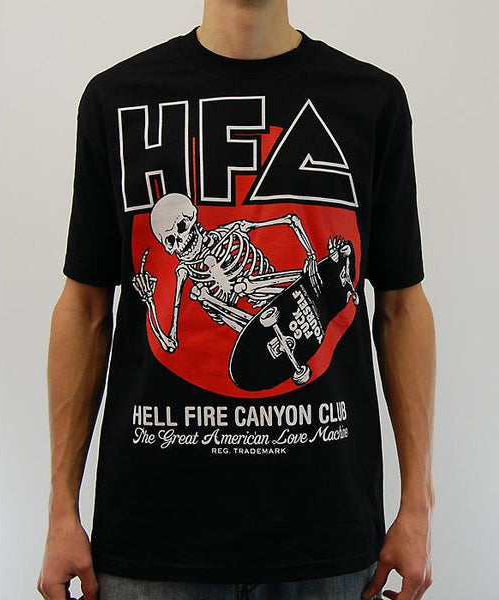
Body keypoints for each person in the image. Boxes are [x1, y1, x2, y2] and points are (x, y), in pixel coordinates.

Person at [37, 1, 436, 599]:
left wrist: (419, 505)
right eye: (173, 239)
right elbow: (86, 310)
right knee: (223, 298)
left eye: (185, 230)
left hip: (327, 536)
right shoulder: (116, 100)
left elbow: (401, 306)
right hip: (152, 542)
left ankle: (308, 296)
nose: (182, 241)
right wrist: (60, 510)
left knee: (274, 289)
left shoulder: (370, 100)